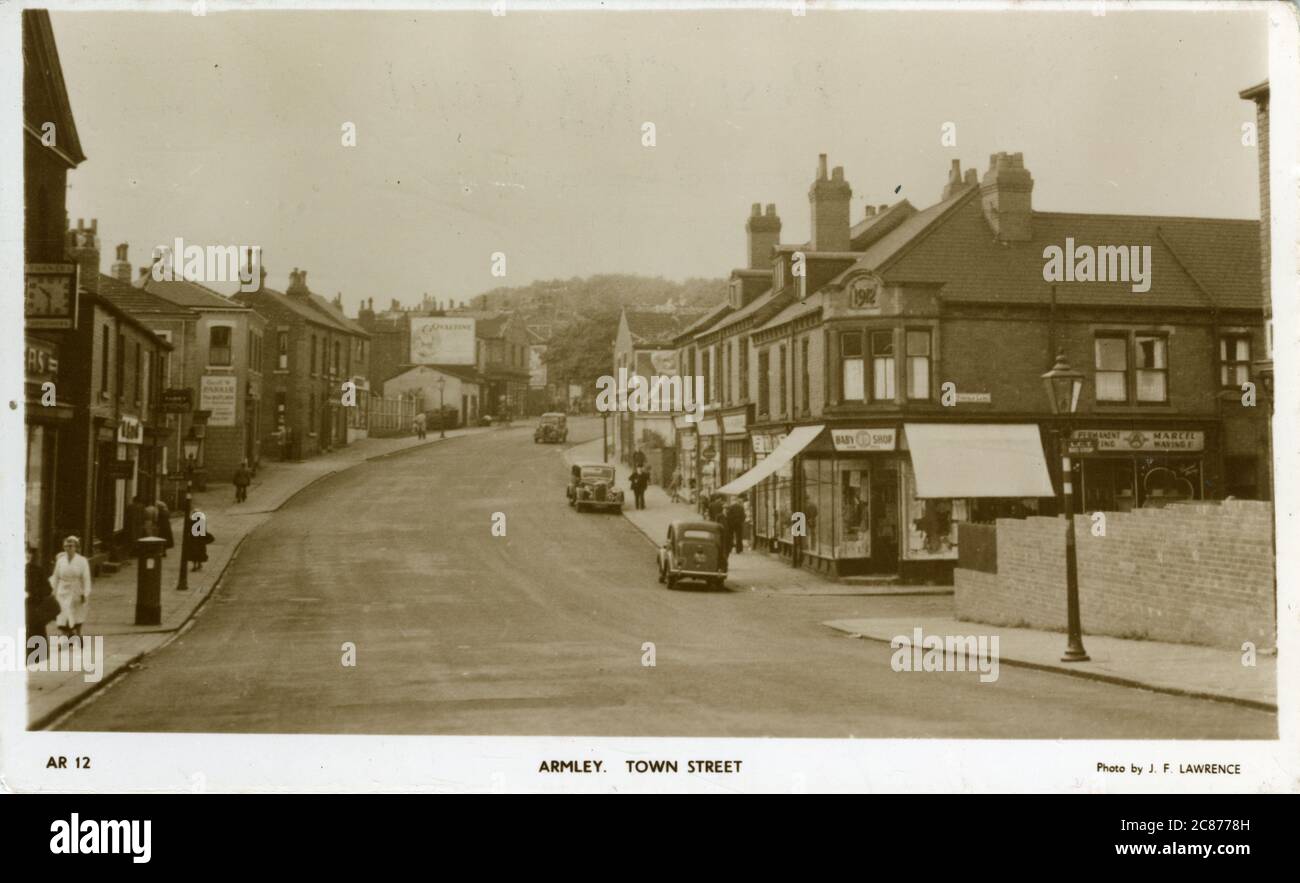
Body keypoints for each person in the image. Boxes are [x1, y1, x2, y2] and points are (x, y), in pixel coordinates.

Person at [50, 536, 92, 639]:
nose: (68, 548)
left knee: (77, 614)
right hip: (62, 590)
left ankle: (77, 634)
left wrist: (85, 593)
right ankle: (65, 636)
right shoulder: (61, 561)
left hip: (76, 590)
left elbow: (86, 579)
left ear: (76, 547)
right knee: (62, 614)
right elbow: (55, 576)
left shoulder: (82, 561)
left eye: (71, 546)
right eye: (66, 546)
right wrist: (51, 590)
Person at [26, 545, 58, 641]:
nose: (27, 555)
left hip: (33, 610)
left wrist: (33, 594)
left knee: (35, 639)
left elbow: (47, 589)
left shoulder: (37, 570)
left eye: (29, 552)